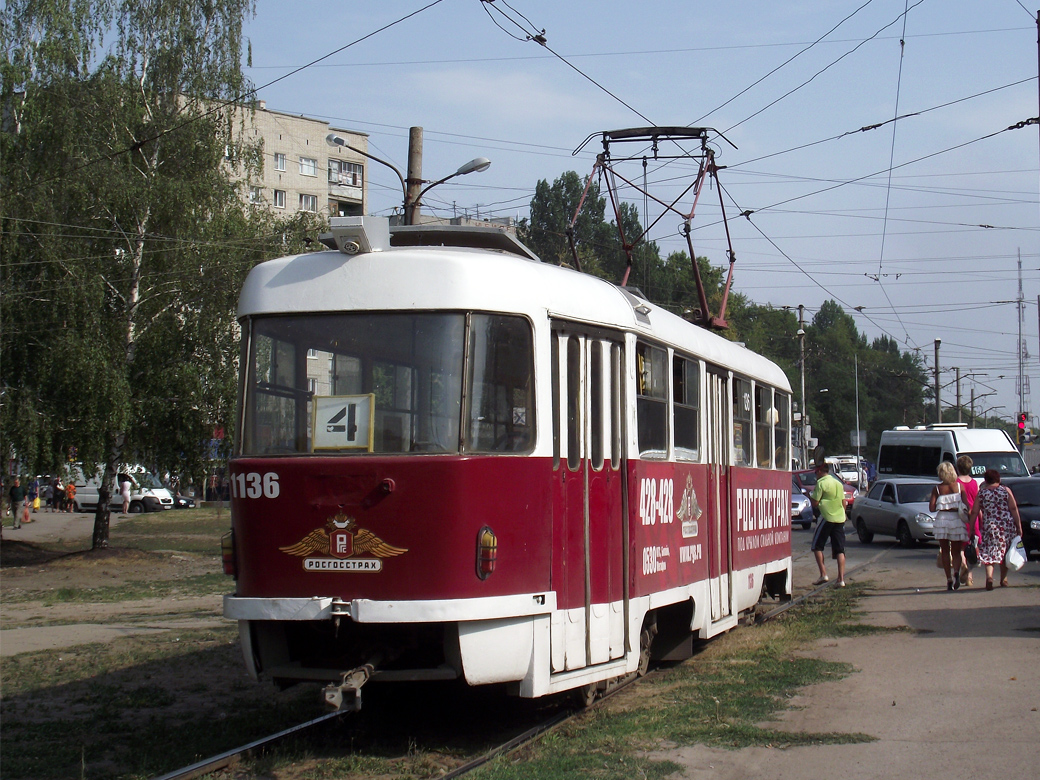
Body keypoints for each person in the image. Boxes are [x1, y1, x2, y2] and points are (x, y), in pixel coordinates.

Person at [967, 469, 1025, 590]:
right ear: (998, 479)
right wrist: (1019, 526)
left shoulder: (982, 493)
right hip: (1006, 526)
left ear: (986, 480)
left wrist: (971, 528)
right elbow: (1013, 509)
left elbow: (974, 512)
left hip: (990, 527)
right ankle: (1003, 579)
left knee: (989, 553)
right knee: (1004, 552)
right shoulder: (1005, 491)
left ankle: (989, 577)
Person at [929, 461, 966, 591]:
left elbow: (932, 508)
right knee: (956, 551)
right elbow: (966, 505)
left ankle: (949, 579)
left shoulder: (937, 489)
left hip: (942, 519)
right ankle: (956, 571)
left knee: (945, 550)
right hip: (956, 519)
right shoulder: (960, 487)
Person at [810, 462, 848, 586]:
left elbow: (815, 502)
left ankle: (823, 574)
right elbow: (843, 502)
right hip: (839, 518)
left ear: (820, 472)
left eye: (816, 472)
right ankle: (841, 579)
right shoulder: (838, 483)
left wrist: (811, 496)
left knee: (817, 546)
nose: (815, 474)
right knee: (839, 549)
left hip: (826, 517)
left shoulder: (821, 483)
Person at [955, 456, 980, 586]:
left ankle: (963, 564)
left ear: (958, 468)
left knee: (961, 547)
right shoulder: (974, 483)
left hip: (960, 516)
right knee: (972, 546)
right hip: (972, 517)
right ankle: (970, 576)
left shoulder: (956, 482)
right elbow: (977, 501)